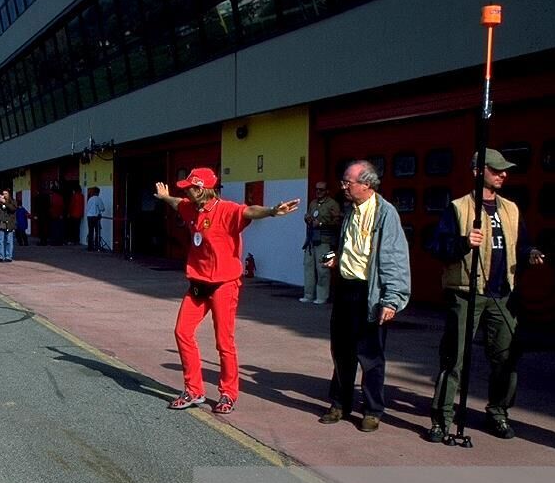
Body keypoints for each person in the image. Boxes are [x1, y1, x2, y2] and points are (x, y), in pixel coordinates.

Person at [155, 168, 300, 414]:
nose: (186, 191)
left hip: (224, 284)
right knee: (182, 332)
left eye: (189, 187)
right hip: (199, 284)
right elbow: (177, 203)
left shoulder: (227, 210)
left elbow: (249, 211)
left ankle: (228, 393)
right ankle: (194, 390)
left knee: (224, 341)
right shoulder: (190, 207)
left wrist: (273, 211)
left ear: (201, 189)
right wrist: (165, 197)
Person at [424, 149, 544, 442]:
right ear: (478, 172)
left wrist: (531, 254)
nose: (504, 174)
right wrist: (464, 242)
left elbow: (521, 244)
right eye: (497, 169)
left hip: (503, 295)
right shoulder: (458, 207)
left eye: (505, 170)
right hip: (466, 293)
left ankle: (498, 413)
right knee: (454, 359)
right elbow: (437, 247)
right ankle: (441, 420)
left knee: (506, 358)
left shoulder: (511, 209)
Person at [318, 160, 411, 432]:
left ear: (367, 185)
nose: (343, 186)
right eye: (344, 181)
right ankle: (339, 403)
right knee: (342, 352)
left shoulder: (386, 214)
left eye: (349, 182)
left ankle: (372, 410)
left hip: (370, 293)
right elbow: (353, 248)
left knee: (370, 356)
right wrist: (336, 258)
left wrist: (392, 299)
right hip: (346, 290)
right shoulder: (350, 210)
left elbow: (395, 258)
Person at [300, 181, 341, 303]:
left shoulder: (333, 204)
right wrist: (307, 218)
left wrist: (322, 223)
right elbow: (310, 216)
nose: (318, 192)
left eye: (321, 190)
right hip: (312, 240)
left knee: (323, 268)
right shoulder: (313, 203)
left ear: (327, 191)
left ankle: (322, 296)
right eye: (317, 189)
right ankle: (308, 295)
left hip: (325, 241)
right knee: (308, 266)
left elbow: (338, 222)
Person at [0, 189, 17, 262]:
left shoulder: (12, 201)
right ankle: (1, 256)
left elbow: (13, 209)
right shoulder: (0, 202)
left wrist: (5, 202)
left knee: (8, 241)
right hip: (1, 223)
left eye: (6, 194)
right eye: (3, 194)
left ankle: (8, 257)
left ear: (9, 194)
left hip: (9, 223)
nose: (4, 195)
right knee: (0, 240)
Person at [85, 186, 106, 251]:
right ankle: (97, 246)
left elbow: (87, 208)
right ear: (98, 192)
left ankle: (90, 247)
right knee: (97, 231)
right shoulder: (98, 199)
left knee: (90, 231)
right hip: (96, 217)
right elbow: (102, 208)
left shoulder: (90, 199)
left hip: (89, 217)